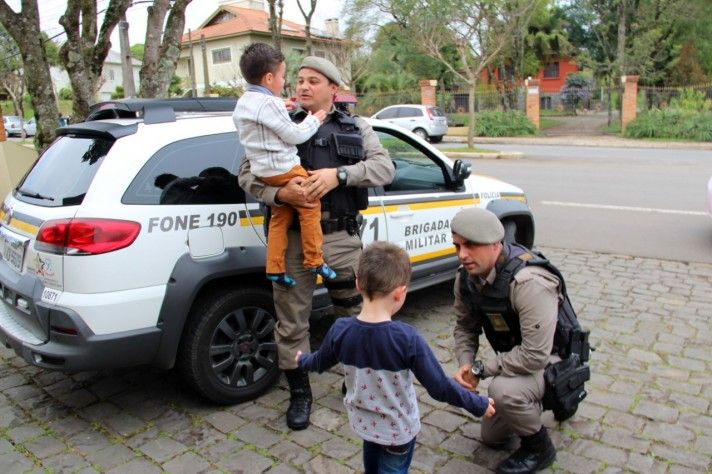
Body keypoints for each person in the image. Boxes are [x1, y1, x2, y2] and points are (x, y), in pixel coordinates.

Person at [238, 56, 395, 430]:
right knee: (292, 324)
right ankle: (300, 394)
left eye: (313, 81)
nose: (303, 87)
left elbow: (384, 168)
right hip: (293, 244)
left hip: (341, 238)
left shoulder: (356, 126)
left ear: (333, 90)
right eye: (300, 80)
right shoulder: (278, 123)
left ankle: (354, 383)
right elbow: (246, 175)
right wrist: (279, 196)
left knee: (356, 316)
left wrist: (338, 175)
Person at [296, 241, 495, 474]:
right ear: (401, 293)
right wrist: (478, 404)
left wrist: (302, 359)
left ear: (358, 285)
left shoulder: (341, 329)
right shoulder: (406, 339)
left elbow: (319, 362)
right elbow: (439, 387)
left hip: (364, 424)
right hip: (397, 433)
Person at [450, 207, 560, 474]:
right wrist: (466, 364)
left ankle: (540, 448)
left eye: (471, 245)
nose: (463, 255)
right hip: (515, 360)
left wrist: (481, 369)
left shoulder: (529, 282)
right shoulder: (465, 279)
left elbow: (535, 355)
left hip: (552, 361)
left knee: (502, 391)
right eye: (457, 246)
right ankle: (526, 403)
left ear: (495, 244)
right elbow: (465, 327)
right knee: (492, 438)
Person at [233, 42, 335, 288]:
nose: (286, 82)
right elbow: (295, 135)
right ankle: (315, 259)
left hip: (265, 173)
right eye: (283, 76)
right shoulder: (270, 105)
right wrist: (314, 120)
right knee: (310, 205)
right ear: (269, 77)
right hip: (284, 169)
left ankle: (275, 268)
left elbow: (264, 117)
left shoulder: (246, 101)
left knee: (280, 217)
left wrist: (281, 106)